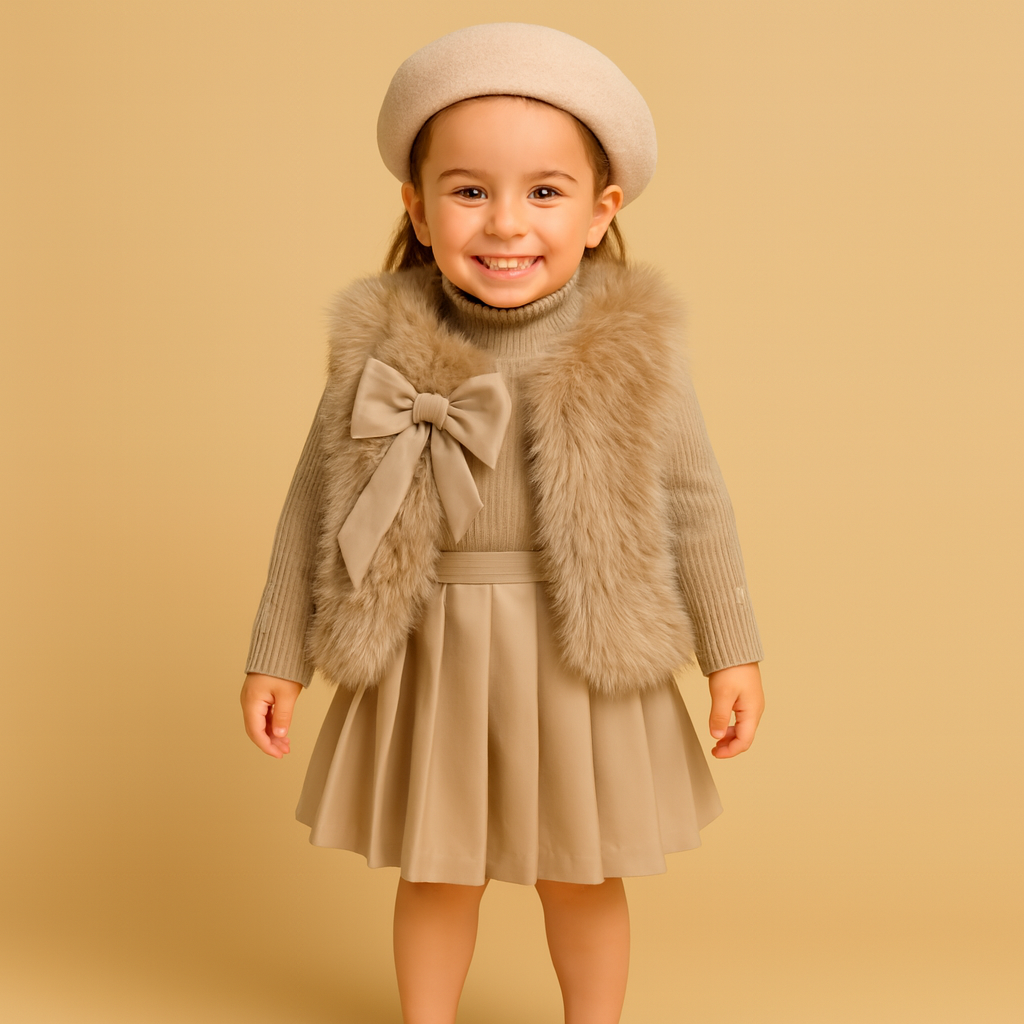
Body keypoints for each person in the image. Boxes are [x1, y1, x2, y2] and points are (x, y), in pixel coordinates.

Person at [239, 22, 765, 1024]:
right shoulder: (383, 342)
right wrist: (279, 654)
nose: (506, 223)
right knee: (439, 870)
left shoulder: (629, 343)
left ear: (602, 210)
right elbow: (314, 501)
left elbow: (695, 499)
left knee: (582, 871)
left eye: (545, 192)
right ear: (417, 206)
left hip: (580, 647)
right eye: (470, 191)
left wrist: (730, 652)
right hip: (432, 643)